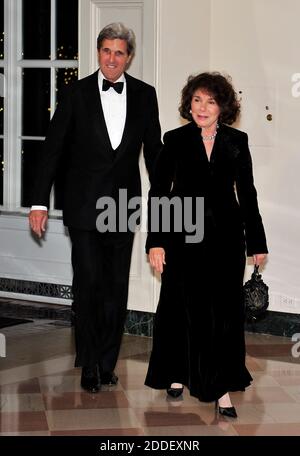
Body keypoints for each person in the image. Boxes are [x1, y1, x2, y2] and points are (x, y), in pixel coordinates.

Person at [29, 22, 162, 393]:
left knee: (116, 287)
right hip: (84, 206)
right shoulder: (76, 94)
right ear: (98, 52)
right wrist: (39, 201)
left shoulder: (145, 95)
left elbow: (155, 154)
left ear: (129, 57)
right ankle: (88, 362)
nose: (112, 58)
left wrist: (171, 196)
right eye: (106, 50)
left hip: (122, 206)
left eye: (119, 52)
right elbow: (52, 150)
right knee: (88, 284)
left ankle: (107, 361)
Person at [145, 72, 268, 418]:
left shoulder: (237, 141)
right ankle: (177, 373)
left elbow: (247, 194)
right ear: (189, 103)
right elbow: (159, 194)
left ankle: (222, 389)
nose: (202, 107)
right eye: (197, 100)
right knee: (179, 307)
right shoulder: (175, 139)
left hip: (226, 240)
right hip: (182, 236)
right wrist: (156, 242)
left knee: (223, 315)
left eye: (210, 101)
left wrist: (257, 242)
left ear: (223, 107)